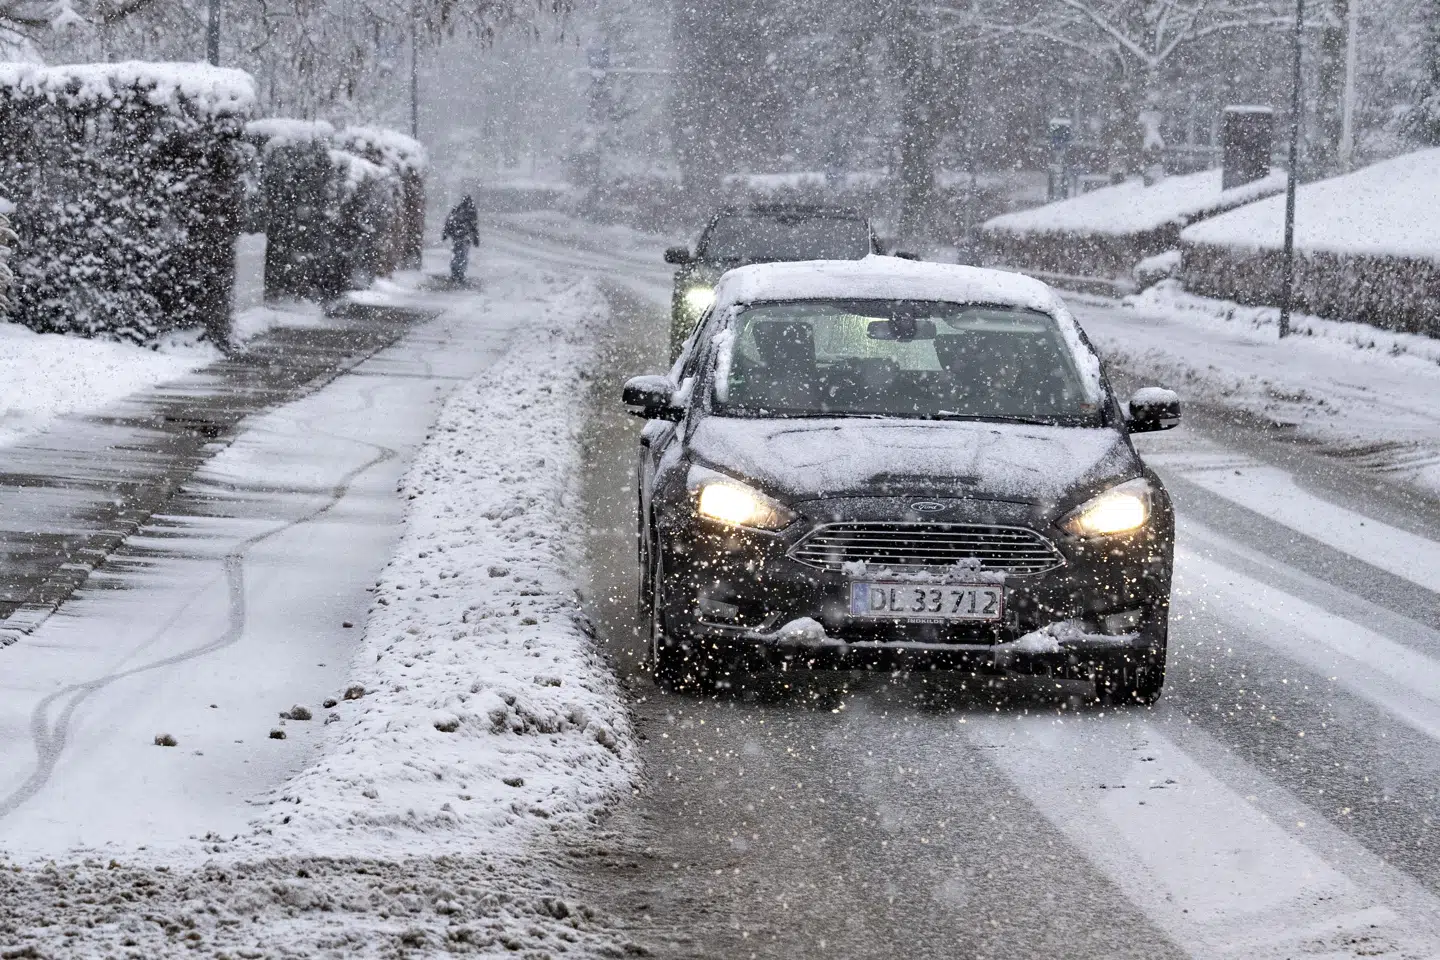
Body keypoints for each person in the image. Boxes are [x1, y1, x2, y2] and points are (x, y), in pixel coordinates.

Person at [441, 195, 480, 283]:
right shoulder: (471, 212)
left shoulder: (457, 210)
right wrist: (475, 238)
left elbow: (448, 222)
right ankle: (460, 274)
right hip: (465, 237)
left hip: (457, 237)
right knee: (463, 256)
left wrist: (445, 233)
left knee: (457, 254)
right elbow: (474, 226)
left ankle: (455, 273)